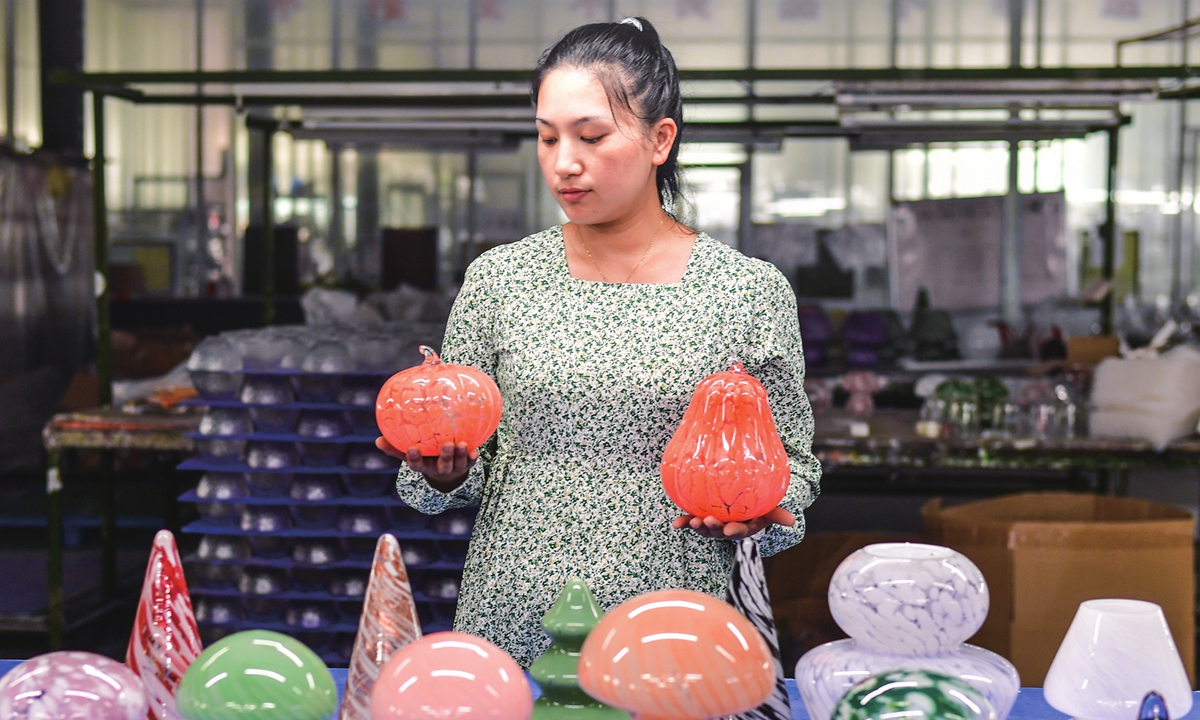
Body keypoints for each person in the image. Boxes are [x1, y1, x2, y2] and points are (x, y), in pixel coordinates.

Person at [376, 16, 821, 667]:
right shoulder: (502, 280)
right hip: (518, 612)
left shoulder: (748, 290)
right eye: (546, 136)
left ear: (659, 139)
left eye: (592, 136)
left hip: (678, 621)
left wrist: (760, 508)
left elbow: (793, 462)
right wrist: (446, 470)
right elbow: (463, 442)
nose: (564, 163)